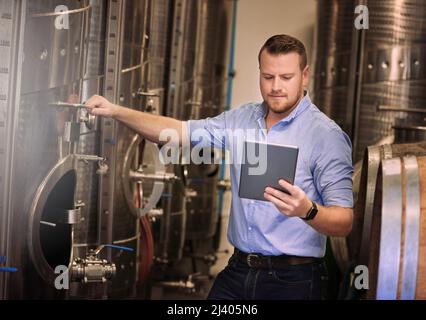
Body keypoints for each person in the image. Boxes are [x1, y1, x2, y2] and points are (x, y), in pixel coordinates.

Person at [85, 34, 353, 300]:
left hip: (293, 280)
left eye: (286, 77)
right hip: (239, 271)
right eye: (268, 77)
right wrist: (115, 111)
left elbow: (344, 222)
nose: (276, 87)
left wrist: (307, 210)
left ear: (304, 75)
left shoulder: (325, 136)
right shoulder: (242, 118)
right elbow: (178, 131)